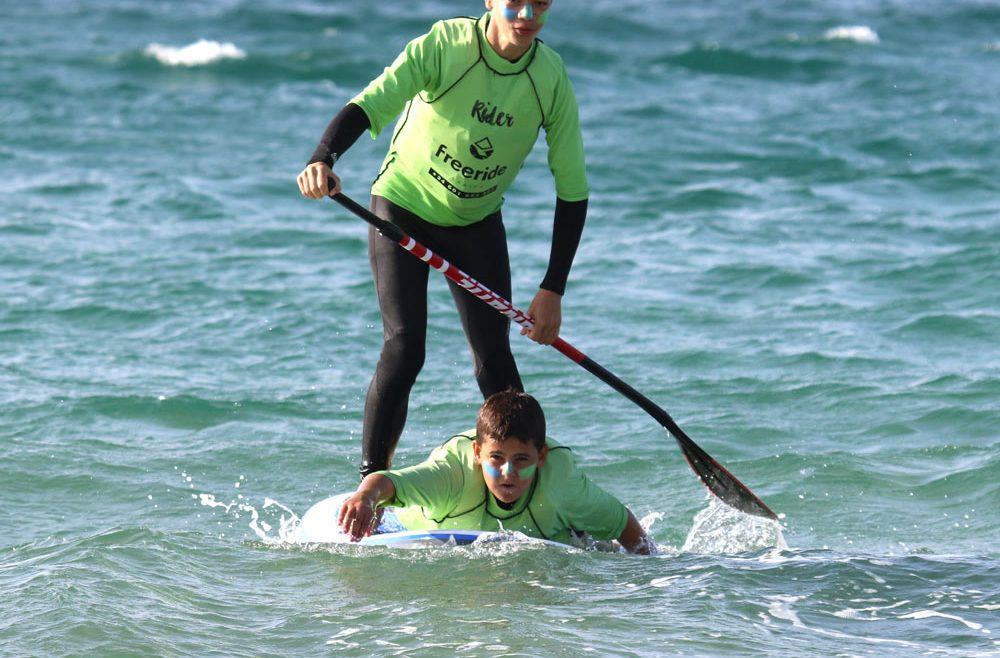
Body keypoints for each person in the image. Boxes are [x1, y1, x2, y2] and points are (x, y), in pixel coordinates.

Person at [296, 0, 590, 478]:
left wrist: (553, 289)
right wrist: (323, 158)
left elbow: (573, 190)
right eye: (515, 2)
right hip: (403, 205)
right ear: (491, 2)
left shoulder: (550, 79)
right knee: (406, 345)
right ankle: (372, 481)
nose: (526, 15)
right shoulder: (446, 46)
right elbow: (370, 104)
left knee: (495, 357)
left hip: (476, 222)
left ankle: (530, 480)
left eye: (539, 3)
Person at [337, 390, 653, 554]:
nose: (507, 472)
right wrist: (365, 497)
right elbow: (388, 483)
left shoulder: (561, 481)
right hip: (411, 528)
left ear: (541, 456)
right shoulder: (454, 472)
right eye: (497, 458)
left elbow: (622, 524)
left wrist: (649, 578)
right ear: (477, 452)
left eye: (521, 460)